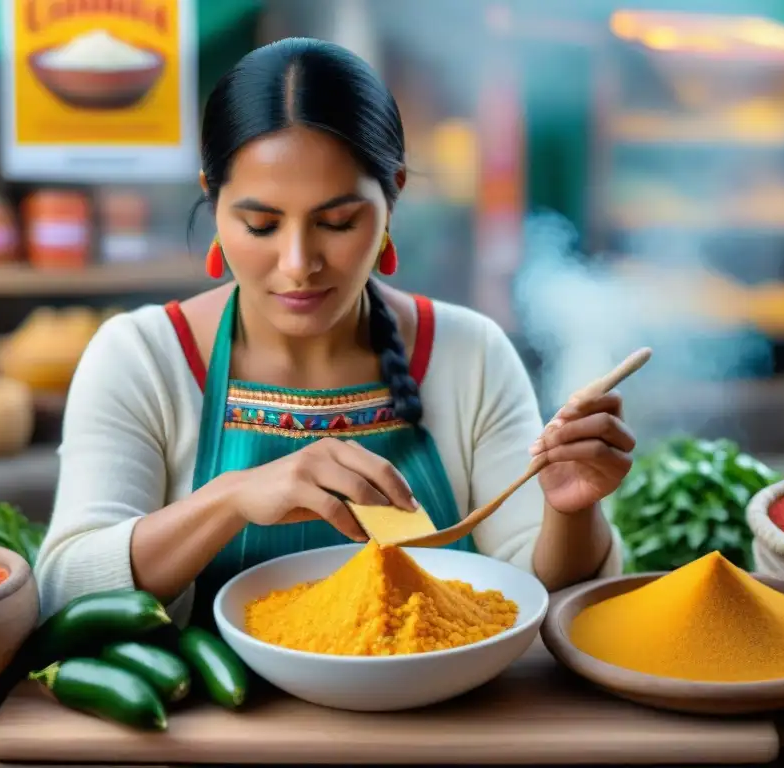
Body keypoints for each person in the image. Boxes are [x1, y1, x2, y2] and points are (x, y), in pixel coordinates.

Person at [34, 37, 634, 628]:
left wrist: (571, 513)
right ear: (212, 202)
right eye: (262, 224)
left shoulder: (469, 354)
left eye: (338, 222)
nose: (298, 262)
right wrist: (233, 498)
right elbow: (65, 589)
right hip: (217, 724)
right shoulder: (142, 358)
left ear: (392, 199)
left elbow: (536, 592)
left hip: (439, 718)